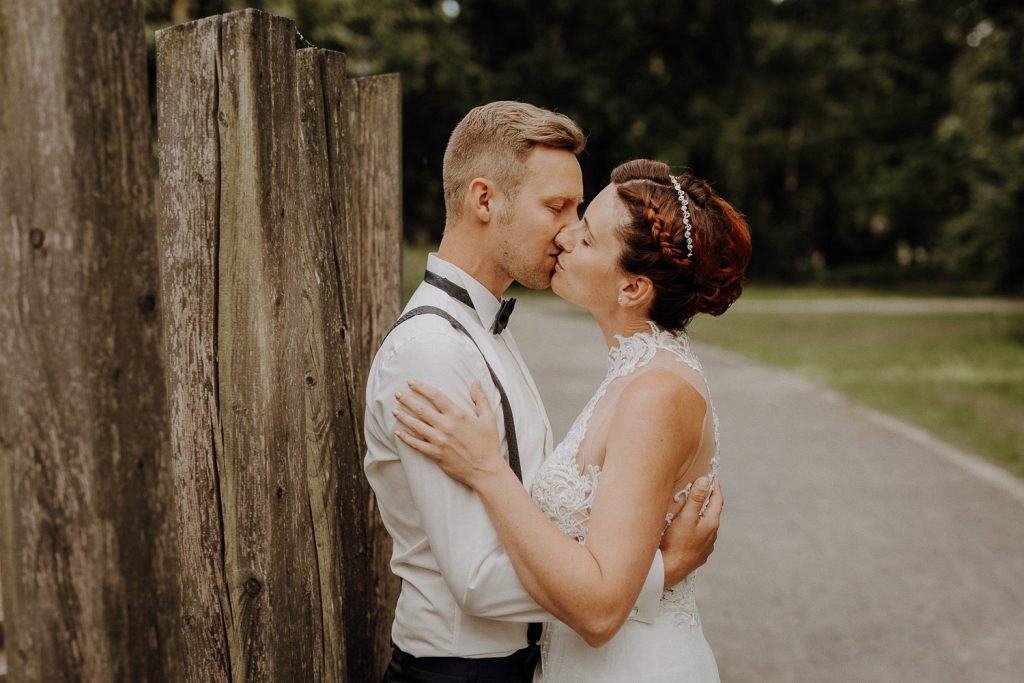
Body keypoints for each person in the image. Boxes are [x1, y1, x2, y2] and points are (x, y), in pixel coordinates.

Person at [363, 102, 724, 683]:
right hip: (459, 671)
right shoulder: (431, 350)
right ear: (485, 200)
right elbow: (479, 576)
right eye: (556, 207)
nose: (568, 229)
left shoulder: (490, 332)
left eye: (578, 211)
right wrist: (659, 569)